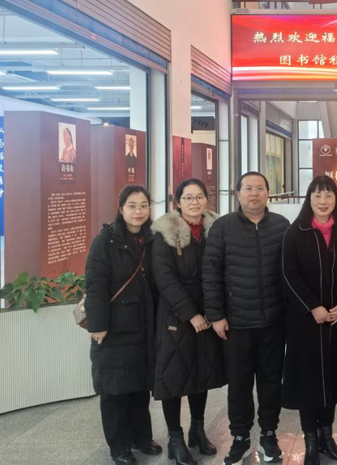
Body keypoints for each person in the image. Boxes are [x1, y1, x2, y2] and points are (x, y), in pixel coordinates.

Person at [203, 172, 290, 465]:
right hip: (236, 323)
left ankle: (268, 434)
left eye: (260, 188)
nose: (254, 193)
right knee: (239, 384)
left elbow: (290, 272)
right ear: (237, 193)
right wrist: (216, 315)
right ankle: (240, 437)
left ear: (268, 193)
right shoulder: (223, 227)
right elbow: (210, 274)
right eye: (248, 188)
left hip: (273, 321)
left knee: (271, 382)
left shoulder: (281, 226)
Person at [281, 175, 337, 465]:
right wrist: (312, 306)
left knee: (332, 379)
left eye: (328, 196)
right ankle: (311, 441)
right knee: (308, 380)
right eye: (317, 195)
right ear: (309, 199)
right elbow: (288, 274)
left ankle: (327, 436)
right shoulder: (296, 232)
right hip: (305, 322)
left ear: (336, 200)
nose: (323, 201)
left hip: (336, 321)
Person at [150, 179, 225, 465]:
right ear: (178, 202)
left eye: (199, 197)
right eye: (188, 197)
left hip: (207, 314)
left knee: (200, 374)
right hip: (176, 317)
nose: (195, 202)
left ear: (207, 200)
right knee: (173, 377)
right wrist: (190, 314)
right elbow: (165, 279)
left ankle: (197, 429)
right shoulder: (164, 234)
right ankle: (175, 438)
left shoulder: (215, 230)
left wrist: (214, 312)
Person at [85, 185, 159, 465]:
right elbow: (95, 285)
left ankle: (141, 437)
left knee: (139, 386)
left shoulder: (151, 239)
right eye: (132, 205)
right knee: (115, 389)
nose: (138, 211)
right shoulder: (106, 241)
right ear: (120, 208)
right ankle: (119, 446)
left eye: (143, 205)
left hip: (144, 324)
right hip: (114, 328)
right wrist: (98, 324)